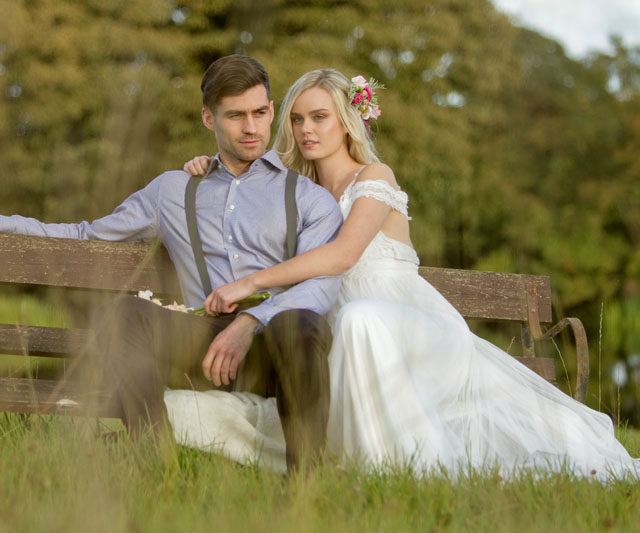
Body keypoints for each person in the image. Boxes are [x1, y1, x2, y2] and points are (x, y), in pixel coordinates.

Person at [167, 68, 640, 479]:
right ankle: (371, 470)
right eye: (296, 119)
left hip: (411, 325)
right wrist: (210, 169)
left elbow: (344, 255)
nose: (306, 129)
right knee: (343, 330)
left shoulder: (375, 177)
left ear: (346, 120)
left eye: (319, 117)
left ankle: (397, 471)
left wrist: (252, 283)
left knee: (361, 321)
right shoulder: (294, 193)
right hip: (341, 332)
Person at [0, 55, 345, 471]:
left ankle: (306, 482)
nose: (251, 128)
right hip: (202, 346)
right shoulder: (172, 190)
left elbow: (321, 284)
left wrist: (250, 321)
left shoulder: (309, 198)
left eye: (260, 113)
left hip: (276, 347)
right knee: (120, 314)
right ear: (208, 118)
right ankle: (156, 460)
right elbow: (87, 235)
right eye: (236, 116)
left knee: (301, 322)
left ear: (272, 110)